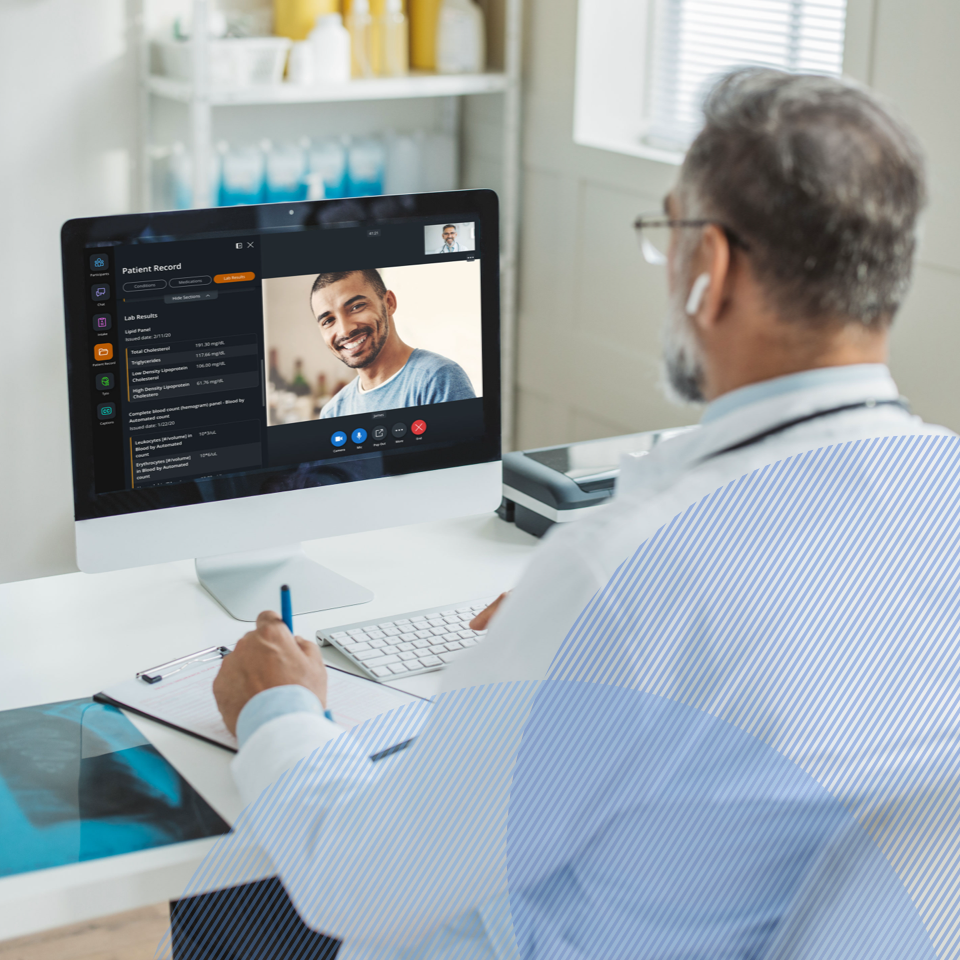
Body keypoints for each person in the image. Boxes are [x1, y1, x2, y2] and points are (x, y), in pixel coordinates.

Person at [210, 69, 954, 959]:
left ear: (707, 269)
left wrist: (279, 710)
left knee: (224, 905)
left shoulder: (627, 571)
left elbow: (357, 883)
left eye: (668, 233)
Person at [312, 268, 476, 418]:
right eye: (328, 321)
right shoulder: (332, 413)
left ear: (389, 303)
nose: (344, 331)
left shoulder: (438, 378)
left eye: (356, 307)